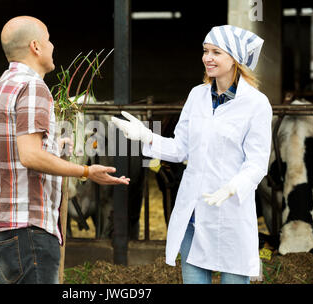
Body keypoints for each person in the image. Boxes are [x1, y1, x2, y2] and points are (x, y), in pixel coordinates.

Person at [112, 25, 272, 284]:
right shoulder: (196, 95)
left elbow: (257, 162)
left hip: (230, 213)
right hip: (193, 213)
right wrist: (147, 136)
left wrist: (233, 187)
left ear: (234, 59)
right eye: (205, 51)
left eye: (216, 52)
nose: (207, 57)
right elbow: (180, 148)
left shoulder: (256, 104)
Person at [0, 16, 130, 284]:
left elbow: (16, 149)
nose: (53, 46)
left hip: (2, 228)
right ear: (36, 47)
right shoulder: (33, 86)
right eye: (48, 40)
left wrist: (52, 145)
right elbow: (29, 156)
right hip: (29, 230)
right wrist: (85, 170)